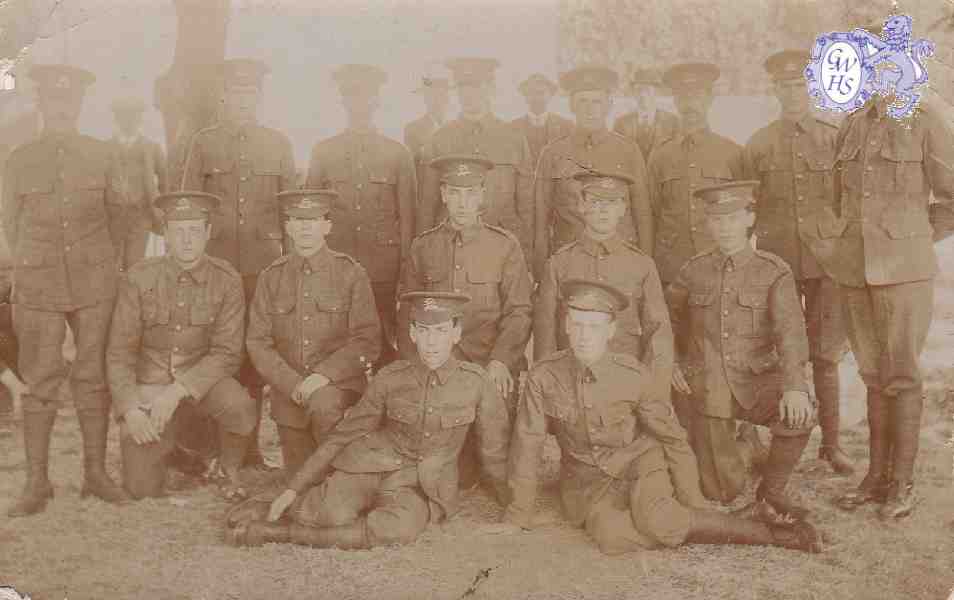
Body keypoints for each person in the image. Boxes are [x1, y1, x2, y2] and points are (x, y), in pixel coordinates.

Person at [503, 278, 820, 554]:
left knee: (660, 523)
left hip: (639, 463)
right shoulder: (544, 377)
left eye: (595, 326)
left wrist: (693, 499)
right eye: (578, 325)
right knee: (611, 539)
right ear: (566, 326)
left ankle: (779, 535)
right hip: (588, 483)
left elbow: (671, 437)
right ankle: (721, 521)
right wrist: (518, 515)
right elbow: (527, 443)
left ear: (611, 330)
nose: (585, 335)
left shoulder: (633, 375)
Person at [227, 291, 511, 549]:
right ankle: (276, 505)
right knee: (327, 514)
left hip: (419, 483)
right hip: (369, 464)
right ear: (412, 333)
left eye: (440, 331)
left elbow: (494, 450)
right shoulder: (390, 377)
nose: (432, 342)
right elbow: (344, 435)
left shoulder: (476, 383)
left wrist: (512, 504)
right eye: (424, 331)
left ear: (456, 333)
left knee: (396, 530)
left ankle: (274, 532)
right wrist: (293, 488)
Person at [805, 28, 954, 518]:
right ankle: (876, 476)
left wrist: (909, 239)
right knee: (872, 377)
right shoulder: (852, 123)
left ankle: (903, 484)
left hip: (904, 271)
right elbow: (833, 197)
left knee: (903, 377)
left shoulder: (926, 120)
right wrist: (845, 246)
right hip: (855, 271)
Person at [2, 64, 131, 516]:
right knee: (40, 380)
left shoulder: (102, 154)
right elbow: (10, 224)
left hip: (94, 279)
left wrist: (106, 263)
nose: (61, 109)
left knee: (93, 378)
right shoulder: (19, 159)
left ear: (79, 107)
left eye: (69, 102)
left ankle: (95, 474)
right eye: (54, 102)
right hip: (38, 280)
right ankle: (37, 483)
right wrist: (33, 262)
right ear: (41, 104)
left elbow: (119, 214)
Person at [667, 180, 814, 517]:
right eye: (717, 220)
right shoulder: (693, 270)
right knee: (722, 491)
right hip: (707, 387)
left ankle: (771, 490)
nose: (725, 228)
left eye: (733, 218)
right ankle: (745, 446)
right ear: (708, 224)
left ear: (750, 218)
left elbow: (791, 334)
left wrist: (794, 387)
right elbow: (667, 322)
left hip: (755, 380)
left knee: (801, 413)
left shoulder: (773, 271)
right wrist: (673, 362)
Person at [742, 49, 853, 475]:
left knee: (825, 355)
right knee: (779, 351)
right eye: (783, 86)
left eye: (799, 85)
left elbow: (848, 199)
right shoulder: (759, 143)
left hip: (826, 265)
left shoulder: (833, 136)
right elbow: (751, 209)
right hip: (778, 267)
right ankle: (781, 440)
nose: (792, 93)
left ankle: (832, 443)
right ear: (774, 90)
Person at [181, 57, 295, 470]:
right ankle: (208, 448)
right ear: (225, 96)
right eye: (237, 92)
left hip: (263, 268)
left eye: (252, 93)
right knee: (211, 353)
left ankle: (248, 448)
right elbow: (189, 207)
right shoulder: (204, 143)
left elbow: (290, 212)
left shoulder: (277, 144)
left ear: (260, 98)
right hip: (215, 267)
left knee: (255, 358)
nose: (244, 100)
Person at [106, 191, 256, 500]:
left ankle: (227, 469)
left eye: (195, 231)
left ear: (208, 233)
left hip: (202, 382)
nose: (187, 240)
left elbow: (227, 353)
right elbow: (119, 353)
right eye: (178, 231)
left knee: (240, 406)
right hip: (150, 383)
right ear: (165, 235)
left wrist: (177, 391)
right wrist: (131, 409)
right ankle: (180, 452)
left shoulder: (226, 279)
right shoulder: (139, 277)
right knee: (141, 490)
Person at [398, 155, 532, 487]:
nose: (462, 202)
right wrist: (418, 363)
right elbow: (406, 314)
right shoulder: (423, 247)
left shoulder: (504, 246)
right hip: (440, 363)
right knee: (447, 473)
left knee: (495, 465)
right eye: (455, 193)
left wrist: (502, 360)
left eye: (470, 193)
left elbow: (519, 311)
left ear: (482, 195)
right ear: (443, 194)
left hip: (488, 361)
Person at [246, 189, 382, 478]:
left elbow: (367, 340)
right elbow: (258, 343)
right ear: (287, 226)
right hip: (290, 395)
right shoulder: (272, 277)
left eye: (314, 219)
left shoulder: (350, 274)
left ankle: (345, 477)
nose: (305, 227)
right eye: (297, 219)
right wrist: (293, 383)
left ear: (327, 226)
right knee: (300, 481)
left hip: (336, 390)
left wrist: (323, 376)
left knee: (329, 468)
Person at [306, 64, 417, 367]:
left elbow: (408, 218)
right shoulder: (323, 152)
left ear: (377, 101)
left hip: (382, 269)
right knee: (335, 341)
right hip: (334, 265)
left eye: (367, 97)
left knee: (383, 344)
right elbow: (310, 216)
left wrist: (405, 271)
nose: (360, 105)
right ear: (343, 102)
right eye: (352, 97)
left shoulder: (397, 154)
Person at [534, 170, 672, 398]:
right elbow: (545, 335)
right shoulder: (558, 264)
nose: (603, 210)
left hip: (626, 384)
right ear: (582, 206)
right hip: (571, 384)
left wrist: (651, 391)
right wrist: (549, 389)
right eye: (595, 202)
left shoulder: (641, 265)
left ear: (623, 209)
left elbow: (658, 334)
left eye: (611, 203)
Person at [533, 64, 651, 279]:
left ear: (608, 105)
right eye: (582, 102)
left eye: (597, 102)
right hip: (569, 263)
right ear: (572, 106)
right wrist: (542, 273)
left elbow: (642, 215)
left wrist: (644, 268)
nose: (590, 109)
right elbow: (540, 222)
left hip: (620, 262)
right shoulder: (552, 153)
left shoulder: (628, 150)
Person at [418, 57, 534, 264]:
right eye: (463, 88)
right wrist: (426, 254)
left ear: (491, 89)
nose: (469, 95)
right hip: (452, 246)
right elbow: (428, 205)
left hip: (503, 244)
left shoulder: (513, 138)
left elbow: (526, 205)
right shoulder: (440, 139)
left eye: (476, 87)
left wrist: (527, 257)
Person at [107, 94, 167, 271]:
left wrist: (160, 210)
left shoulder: (152, 148)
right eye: (123, 115)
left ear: (140, 118)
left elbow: (166, 182)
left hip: (141, 218)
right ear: (116, 118)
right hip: (113, 219)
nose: (129, 121)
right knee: (112, 266)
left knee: (135, 266)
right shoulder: (105, 148)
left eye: (133, 116)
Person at [612, 67, 679, 161]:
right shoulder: (621, 123)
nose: (642, 95)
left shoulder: (672, 122)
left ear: (656, 92)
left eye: (647, 90)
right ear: (633, 93)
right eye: (638, 90)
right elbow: (617, 157)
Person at [510, 73, 573, 168]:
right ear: (525, 97)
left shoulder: (565, 126)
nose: (536, 98)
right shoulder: (512, 127)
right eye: (531, 93)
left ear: (550, 96)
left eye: (541, 93)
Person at [404, 75, 450, 206]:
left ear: (447, 98)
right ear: (425, 99)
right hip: (425, 196)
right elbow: (413, 167)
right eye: (431, 96)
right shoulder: (413, 129)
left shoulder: (456, 127)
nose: (437, 101)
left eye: (441, 95)